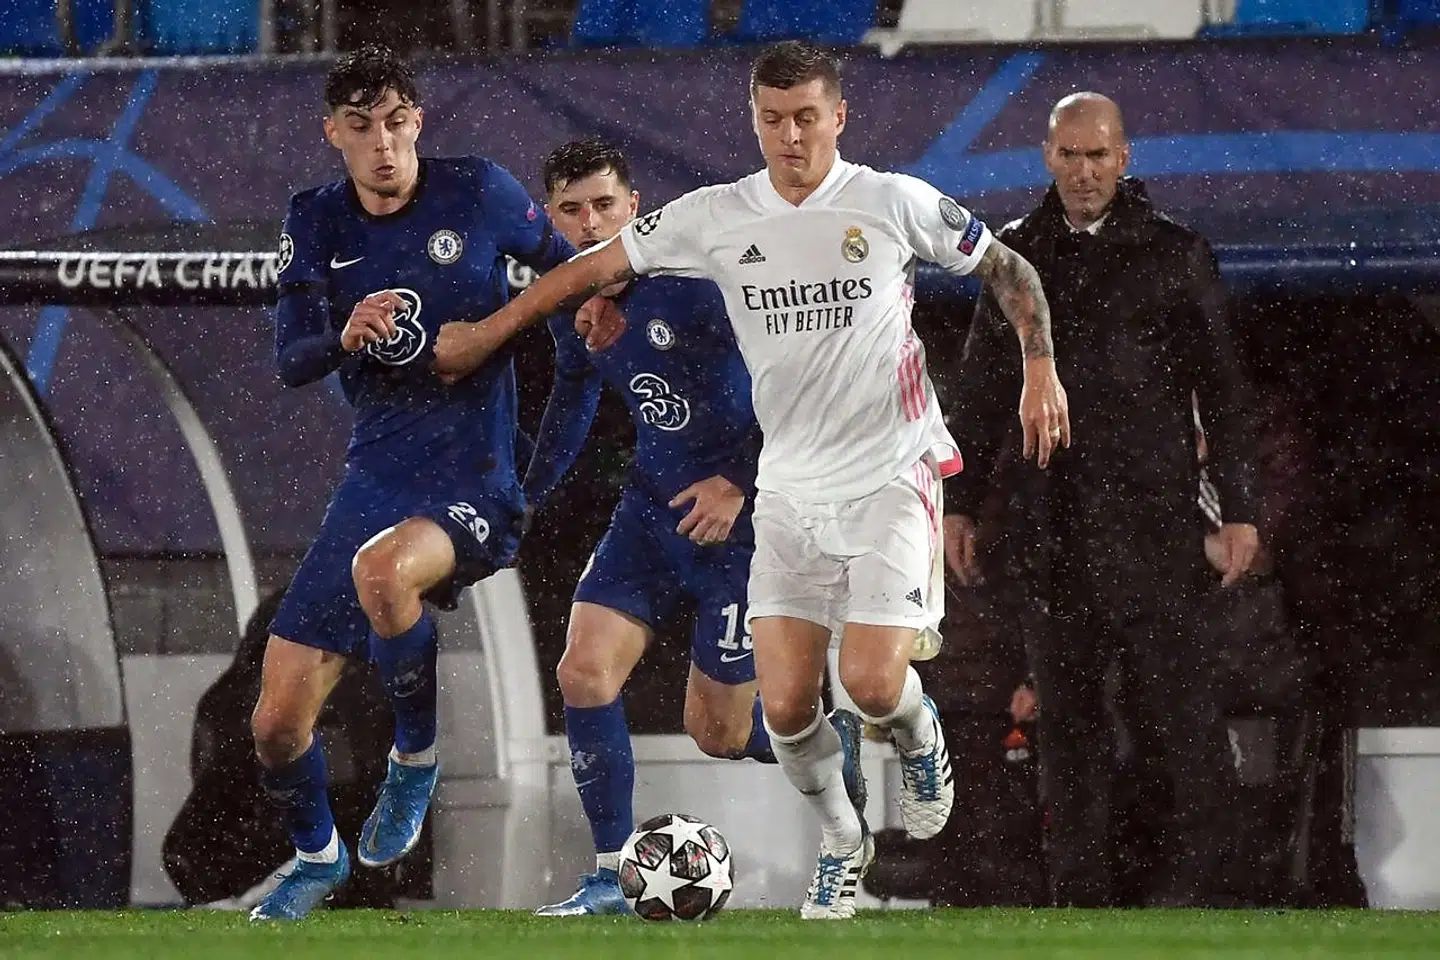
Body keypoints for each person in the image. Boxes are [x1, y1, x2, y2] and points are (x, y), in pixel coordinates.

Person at [433, 42, 1068, 919]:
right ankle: (844, 847)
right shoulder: (721, 215)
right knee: (783, 710)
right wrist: (486, 333)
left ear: (837, 117)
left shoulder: (890, 201)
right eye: (773, 120)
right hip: (790, 494)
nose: (791, 136)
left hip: (890, 471)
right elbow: (590, 268)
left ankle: (921, 741)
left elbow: (1009, 267)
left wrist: (1041, 366)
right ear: (755, 122)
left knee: (875, 684)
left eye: (807, 117)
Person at [250, 43, 575, 921]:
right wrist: (343, 333)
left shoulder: (477, 190)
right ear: (334, 134)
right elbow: (289, 361)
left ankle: (416, 761)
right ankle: (317, 857)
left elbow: (573, 270)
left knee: (384, 573)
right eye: (362, 128)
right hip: (376, 475)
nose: (383, 145)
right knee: (276, 728)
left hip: (475, 474)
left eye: (397, 122)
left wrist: (491, 331)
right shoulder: (315, 218)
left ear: (418, 121)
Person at [524, 138, 861, 916]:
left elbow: (797, 387)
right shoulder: (573, 300)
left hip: (743, 534)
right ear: (552, 218)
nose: (589, 222)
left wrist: (738, 483)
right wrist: (528, 495)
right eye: (572, 210)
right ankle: (610, 874)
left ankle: (826, 743)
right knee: (582, 672)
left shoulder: (702, 284)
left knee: (714, 730)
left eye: (605, 204)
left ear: (636, 207)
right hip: (650, 514)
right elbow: (573, 399)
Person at [944, 92, 1259, 907]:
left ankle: (1199, 904)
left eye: (1098, 156)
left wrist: (1243, 508)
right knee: (1069, 739)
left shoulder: (1175, 254)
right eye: (1069, 155)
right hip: (1054, 533)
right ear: (1046, 157)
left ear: (1126, 158)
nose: (1083, 172)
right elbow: (979, 394)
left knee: (1182, 731)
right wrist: (958, 504)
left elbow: (1222, 392)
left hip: (1157, 531)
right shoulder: (1012, 259)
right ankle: (1078, 909)